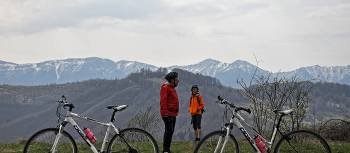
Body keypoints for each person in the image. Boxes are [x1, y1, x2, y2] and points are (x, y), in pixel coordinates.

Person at [160, 71, 179, 153]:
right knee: (168, 132)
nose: (178, 80)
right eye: (176, 79)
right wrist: (165, 114)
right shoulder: (166, 87)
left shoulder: (172, 88)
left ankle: (167, 149)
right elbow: (163, 101)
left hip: (172, 114)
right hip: (167, 114)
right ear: (172, 80)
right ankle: (165, 150)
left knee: (170, 132)